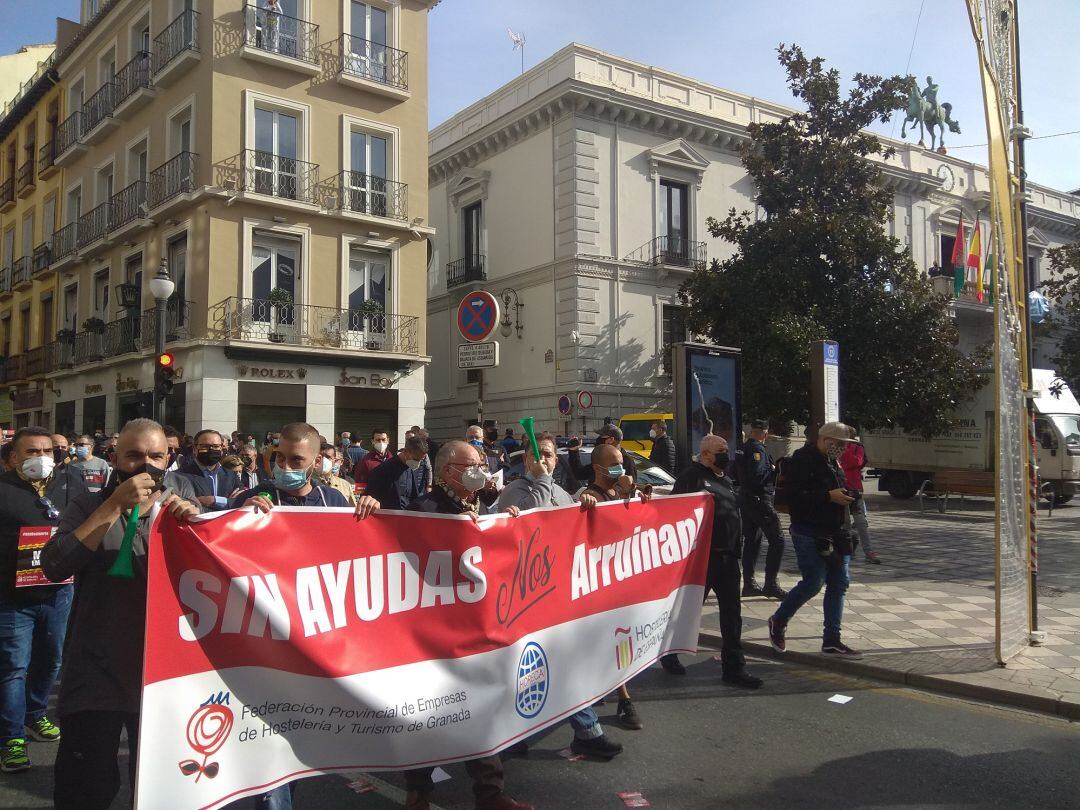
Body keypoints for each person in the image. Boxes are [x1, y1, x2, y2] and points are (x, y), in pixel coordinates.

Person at [42, 419, 201, 807]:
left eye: (156, 456)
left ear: (169, 459)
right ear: (114, 458)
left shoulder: (181, 511)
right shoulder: (87, 505)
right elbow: (55, 565)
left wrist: (207, 526)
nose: (146, 464)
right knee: (86, 788)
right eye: (134, 455)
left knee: (159, 791)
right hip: (95, 672)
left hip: (163, 677)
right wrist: (114, 506)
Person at [386, 439, 532, 810]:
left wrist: (504, 526)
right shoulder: (424, 511)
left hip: (473, 632)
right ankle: (418, 791)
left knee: (479, 712)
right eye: (472, 465)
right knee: (426, 716)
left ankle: (490, 793)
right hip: (432, 635)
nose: (481, 470)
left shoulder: (480, 507)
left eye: (482, 463)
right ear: (448, 471)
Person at [496, 433, 624, 759]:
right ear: (527, 459)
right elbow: (534, 519)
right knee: (539, 665)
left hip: (556, 594)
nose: (545, 460)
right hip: (525, 597)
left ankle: (517, 733)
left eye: (550, 455)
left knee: (551, 665)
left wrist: (586, 505)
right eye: (538, 454)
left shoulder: (560, 492)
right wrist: (541, 479)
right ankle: (584, 732)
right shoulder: (516, 489)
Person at [0, 428, 90, 773]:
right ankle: (11, 738)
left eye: (47, 451)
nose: (41, 457)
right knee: (13, 668)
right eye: (31, 452)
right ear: (13, 458)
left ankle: (35, 713)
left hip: (58, 592)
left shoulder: (71, 483)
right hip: (12, 597)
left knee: (51, 661)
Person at [663, 435, 763, 688]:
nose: (725, 454)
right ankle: (669, 653)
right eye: (720, 450)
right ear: (706, 454)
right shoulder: (692, 477)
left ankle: (734, 668)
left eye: (726, 449)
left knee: (732, 615)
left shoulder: (726, 480)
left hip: (728, 558)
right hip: (703, 559)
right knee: (687, 611)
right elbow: (675, 513)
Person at [767, 422, 863, 660]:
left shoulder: (833, 462)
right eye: (839, 444)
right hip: (809, 531)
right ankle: (779, 620)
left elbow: (838, 488)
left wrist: (848, 496)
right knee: (813, 582)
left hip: (836, 531)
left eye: (845, 445)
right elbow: (792, 497)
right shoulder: (803, 460)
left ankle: (831, 640)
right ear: (824, 439)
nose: (842, 448)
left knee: (839, 584)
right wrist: (827, 496)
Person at [578, 442, 650, 731]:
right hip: (598, 583)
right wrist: (587, 501)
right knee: (611, 641)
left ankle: (611, 691)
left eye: (622, 462)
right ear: (598, 468)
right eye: (614, 464)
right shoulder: (590, 495)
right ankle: (623, 698)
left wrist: (634, 496)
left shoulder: (619, 492)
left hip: (620, 578)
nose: (621, 468)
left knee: (619, 640)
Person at [233, 423, 352, 510]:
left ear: (317, 462)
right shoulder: (254, 498)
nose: (285, 466)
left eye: (296, 460)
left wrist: (364, 512)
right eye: (280, 457)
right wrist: (240, 516)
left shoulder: (332, 500)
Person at [739, 419, 787, 599]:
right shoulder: (757, 449)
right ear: (765, 434)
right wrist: (774, 471)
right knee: (778, 539)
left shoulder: (744, 447)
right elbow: (758, 475)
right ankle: (771, 584)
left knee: (752, 540)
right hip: (759, 499)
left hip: (747, 498)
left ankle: (749, 583)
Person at [839, 430, 881, 564]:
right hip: (841, 489)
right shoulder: (837, 447)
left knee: (861, 523)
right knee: (845, 523)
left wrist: (845, 451)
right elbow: (839, 465)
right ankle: (847, 550)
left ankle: (868, 552)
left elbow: (856, 462)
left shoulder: (857, 447)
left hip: (855, 489)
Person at [178, 430, 241, 511]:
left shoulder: (231, 475)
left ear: (221, 449)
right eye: (205, 446)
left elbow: (242, 500)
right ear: (194, 449)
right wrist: (227, 502)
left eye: (216, 446)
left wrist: (215, 501)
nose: (211, 450)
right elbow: (185, 504)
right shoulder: (180, 476)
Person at [364, 435, 430, 510]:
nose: (418, 463)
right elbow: (369, 499)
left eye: (421, 460)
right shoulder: (382, 471)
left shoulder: (412, 468)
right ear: (405, 451)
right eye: (415, 459)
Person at [568, 424, 637, 485]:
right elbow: (580, 474)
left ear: (611, 439)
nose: (598, 439)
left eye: (601, 436)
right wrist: (574, 451)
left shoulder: (626, 460)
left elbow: (629, 488)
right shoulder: (603, 458)